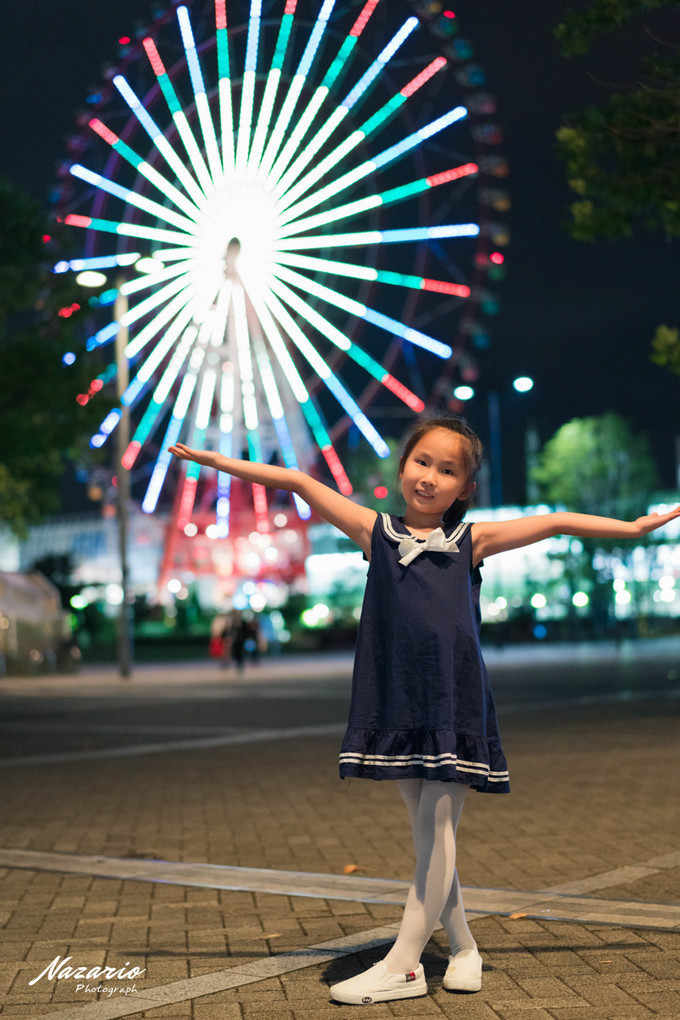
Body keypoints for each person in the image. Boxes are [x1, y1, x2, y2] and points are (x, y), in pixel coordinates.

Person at [169, 417, 679, 1006]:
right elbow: (295, 480)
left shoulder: (471, 543)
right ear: (403, 465)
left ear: (464, 487)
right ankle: (464, 949)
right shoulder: (377, 534)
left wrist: (634, 528)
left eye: (448, 470)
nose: (430, 477)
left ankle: (405, 964)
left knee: (437, 832)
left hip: (452, 699)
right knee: (430, 839)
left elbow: (557, 521)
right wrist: (213, 462)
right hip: (397, 699)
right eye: (422, 462)